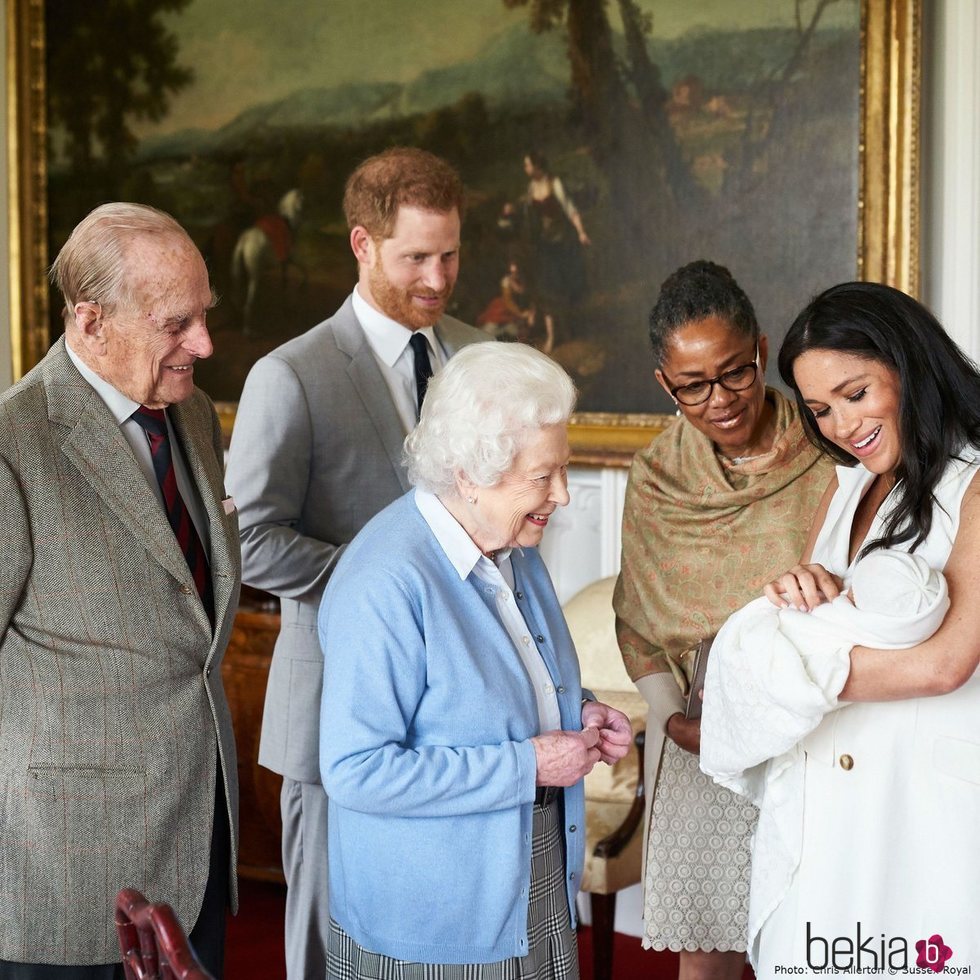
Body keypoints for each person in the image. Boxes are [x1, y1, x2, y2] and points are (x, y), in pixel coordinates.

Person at [223, 146, 488, 980]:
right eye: (416, 257)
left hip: (460, 720)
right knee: (324, 947)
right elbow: (250, 539)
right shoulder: (289, 375)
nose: (439, 279)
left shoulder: (480, 357)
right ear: (361, 245)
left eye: (450, 254)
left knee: (434, 943)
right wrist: (393, 590)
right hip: (336, 708)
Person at [318, 342, 632, 977]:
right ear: (469, 474)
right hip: (434, 920)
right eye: (543, 476)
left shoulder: (512, 545)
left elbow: (498, 689)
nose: (563, 495)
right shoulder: (385, 580)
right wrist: (530, 763)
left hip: (531, 875)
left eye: (562, 470)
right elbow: (356, 770)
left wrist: (581, 711)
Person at [0, 203, 241, 978]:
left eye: (204, 316)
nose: (202, 344)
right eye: (176, 323)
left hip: (198, 838)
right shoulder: (13, 443)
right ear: (91, 321)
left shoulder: (194, 414)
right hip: (66, 869)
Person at [743, 281, 980, 975]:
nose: (841, 426)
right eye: (819, 409)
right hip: (829, 800)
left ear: (908, 365)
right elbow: (809, 616)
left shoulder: (974, 483)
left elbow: (948, 663)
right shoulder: (846, 484)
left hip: (924, 806)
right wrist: (799, 592)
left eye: (855, 393)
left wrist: (779, 674)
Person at [612, 260, 833, 979]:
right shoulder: (656, 480)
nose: (720, 399)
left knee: (814, 943)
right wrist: (670, 713)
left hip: (819, 723)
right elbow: (640, 622)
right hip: (704, 732)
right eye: (693, 386)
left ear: (762, 351)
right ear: (664, 385)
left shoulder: (830, 451)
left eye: (735, 373)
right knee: (710, 958)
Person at [521, 151, 590, 353]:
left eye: (527, 165)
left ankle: (569, 331)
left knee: (564, 288)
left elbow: (570, 208)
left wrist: (581, 232)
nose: (525, 169)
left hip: (563, 244)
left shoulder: (555, 183)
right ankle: (552, 336)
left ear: (537, 166)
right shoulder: (531, 187)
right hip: (544, 246)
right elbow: (529, 217)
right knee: (546, 289)